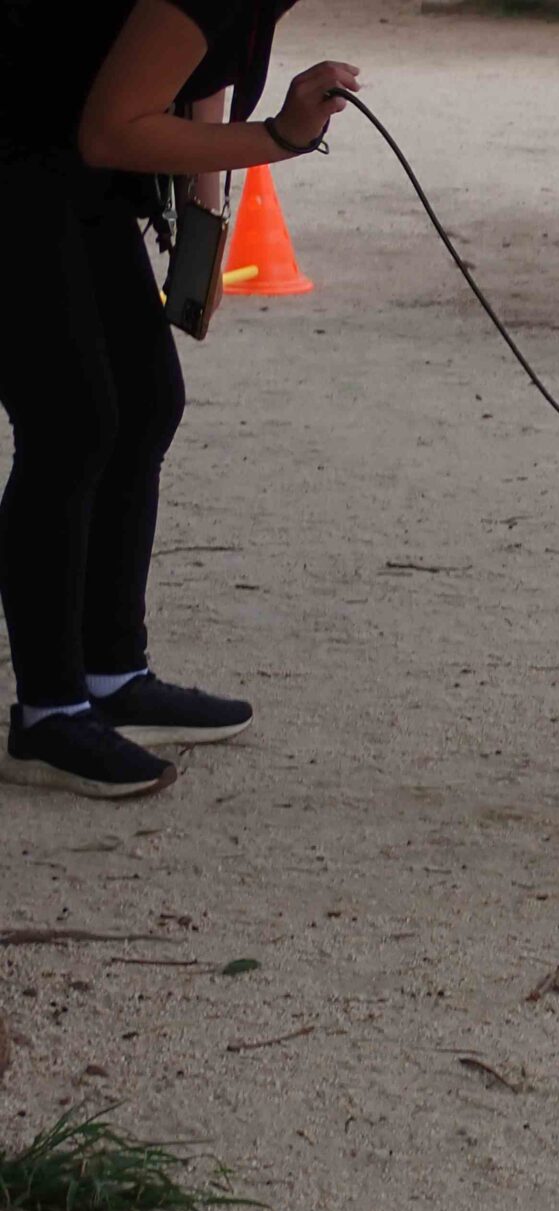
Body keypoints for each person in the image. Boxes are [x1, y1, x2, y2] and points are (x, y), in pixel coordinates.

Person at [0, 1, 360, 798]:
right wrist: (282, 138)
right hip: (30, 148)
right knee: (69, 419)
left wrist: (205, 222)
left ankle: (111, 675)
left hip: (67, 151)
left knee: (147, 398)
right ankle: (49, 711)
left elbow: (202, 80)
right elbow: (114, 129)